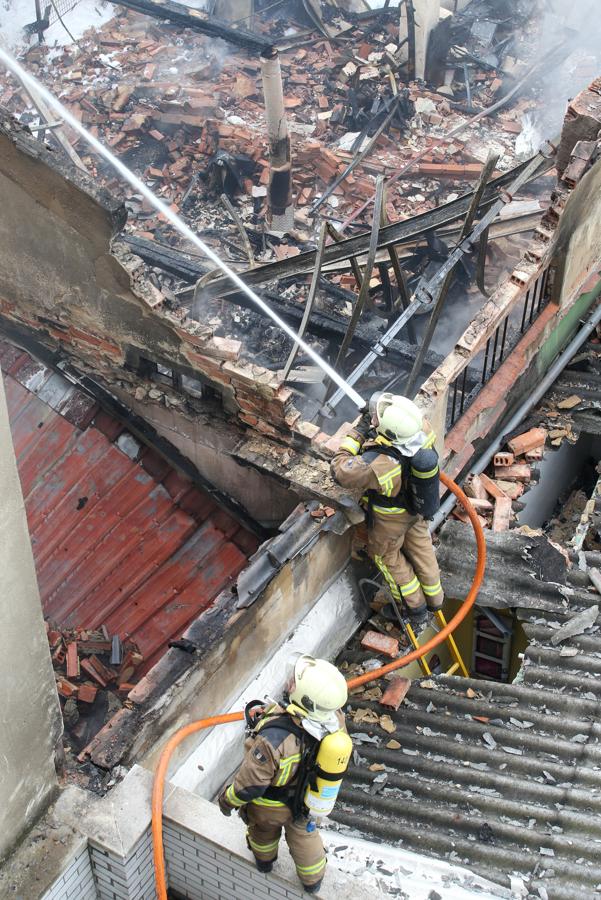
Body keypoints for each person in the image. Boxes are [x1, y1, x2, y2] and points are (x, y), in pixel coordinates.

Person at [218, 655, 348, 894]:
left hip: (270, 808)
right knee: (305, 837)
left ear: (305, 698)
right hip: (308, 800)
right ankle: (313, 881)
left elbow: (250, 786)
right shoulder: (334, 720)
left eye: (294, 683)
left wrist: (226, 800)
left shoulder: (273, 740)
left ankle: (265, 863)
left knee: (262, 833)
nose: (289, 684)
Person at [331, 392, 443, 625]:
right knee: (422, 550)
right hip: (417, 510)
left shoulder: (380, 464)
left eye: (376, 419)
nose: (373, 419)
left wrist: (360, 431)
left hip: (391, 521)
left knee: (387, 558)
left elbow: (340, 471)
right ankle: (436, 600)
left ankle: (415, 610)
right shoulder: (421, 428)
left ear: (390, 433)